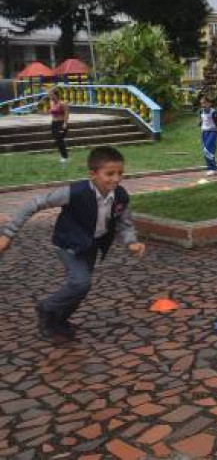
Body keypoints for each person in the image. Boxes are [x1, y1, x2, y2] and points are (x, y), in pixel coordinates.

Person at [0, 147, 146, 342]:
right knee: (80, 283)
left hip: (91, 246)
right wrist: (7, 235)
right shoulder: (74, 192)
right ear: (93, 174)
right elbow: (34, 204)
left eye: (120, 173)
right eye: (109, 174)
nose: (116, 179)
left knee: (81, 288)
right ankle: (47, 308)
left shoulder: (120, 196)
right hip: (68, 244)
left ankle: (58, 321)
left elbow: (124, 223)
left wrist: (131, 242)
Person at [198, 96, 217, 176]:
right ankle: (211, 168)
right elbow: (202, 120)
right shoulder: (201, 111)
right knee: (206, 151)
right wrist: (200, 122)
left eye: (205, 103)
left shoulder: (214, 112)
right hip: (204, 133)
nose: (203, 105)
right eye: (201, 103)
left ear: (209, 103)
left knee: (207, 150)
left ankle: (212, 168)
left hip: (213, 132)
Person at [48, 88, 70, 163]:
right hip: (54, 123)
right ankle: (63, 155)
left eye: (52, 95)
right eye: (50, 95)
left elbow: (66, 113)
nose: (50, 96)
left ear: (56, 95)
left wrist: (65, 123)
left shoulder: (63, 103)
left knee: (59, 139)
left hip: (61, 123)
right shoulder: (51, 103)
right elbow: (51, 112)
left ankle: (65, 157)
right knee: (57, 140)